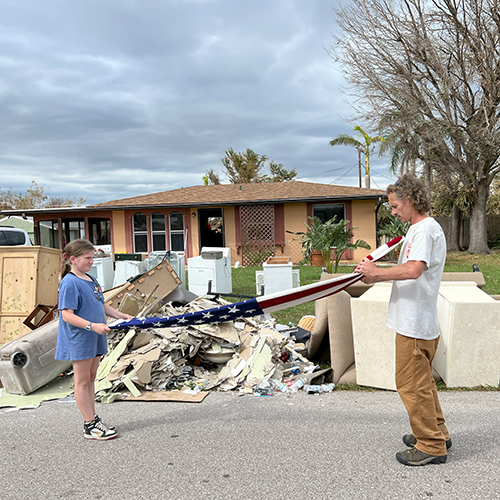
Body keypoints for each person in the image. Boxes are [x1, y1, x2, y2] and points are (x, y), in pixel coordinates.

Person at [355, 174, 451, 466]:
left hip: (413, 323)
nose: (393, 211)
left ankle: (431, 445)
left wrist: (375, 275)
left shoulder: (422, 230)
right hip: (421, 321)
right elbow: (409, 266)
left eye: (396, 206)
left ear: (410, 201)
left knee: (410, 384)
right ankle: (438, 432)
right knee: (423, 384)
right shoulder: (423, 229)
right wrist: (377, 268)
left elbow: (413, 270)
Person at [56, 239, 133, 440]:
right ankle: (90, 425)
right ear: (73, 259)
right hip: (80, 337)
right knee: (81, 382)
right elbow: (67, 315)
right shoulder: (69, 282)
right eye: (87, 258)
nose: (91, 261)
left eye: (92, 258)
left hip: (96, 337)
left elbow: (101, 305)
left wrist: (120, 315)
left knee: (91, 379)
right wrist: (92, 326)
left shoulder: (90, 279)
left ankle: (92, 419)